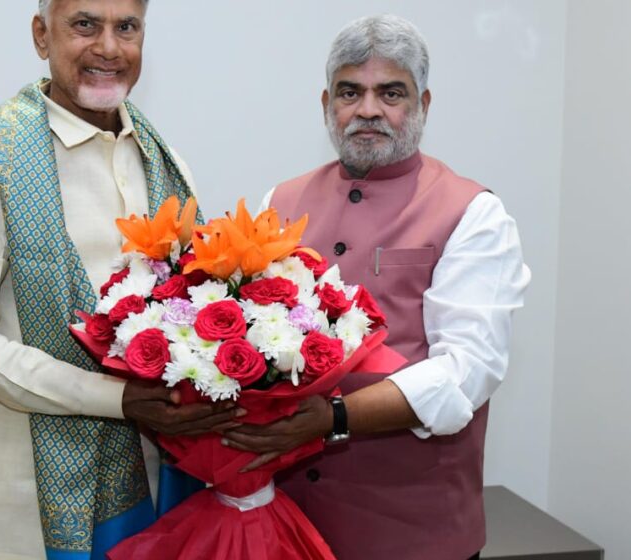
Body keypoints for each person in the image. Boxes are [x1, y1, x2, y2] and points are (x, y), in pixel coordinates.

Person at [0, 1, 239, 558]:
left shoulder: (163, 161)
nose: (109, 48)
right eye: (85, 24)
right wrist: (117, 398)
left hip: (166, 484)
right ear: (42, 35)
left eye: (127, 28)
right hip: (26, 506)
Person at [222, 14, 530, 560]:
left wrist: (336, 418)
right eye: (350, 92)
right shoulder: (278, 203)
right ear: (326, 105)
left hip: (412, 533)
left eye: (391, 92)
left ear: (423, 105)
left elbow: (467, 372)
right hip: (283, 526)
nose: (368, 110)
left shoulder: (473, 213)